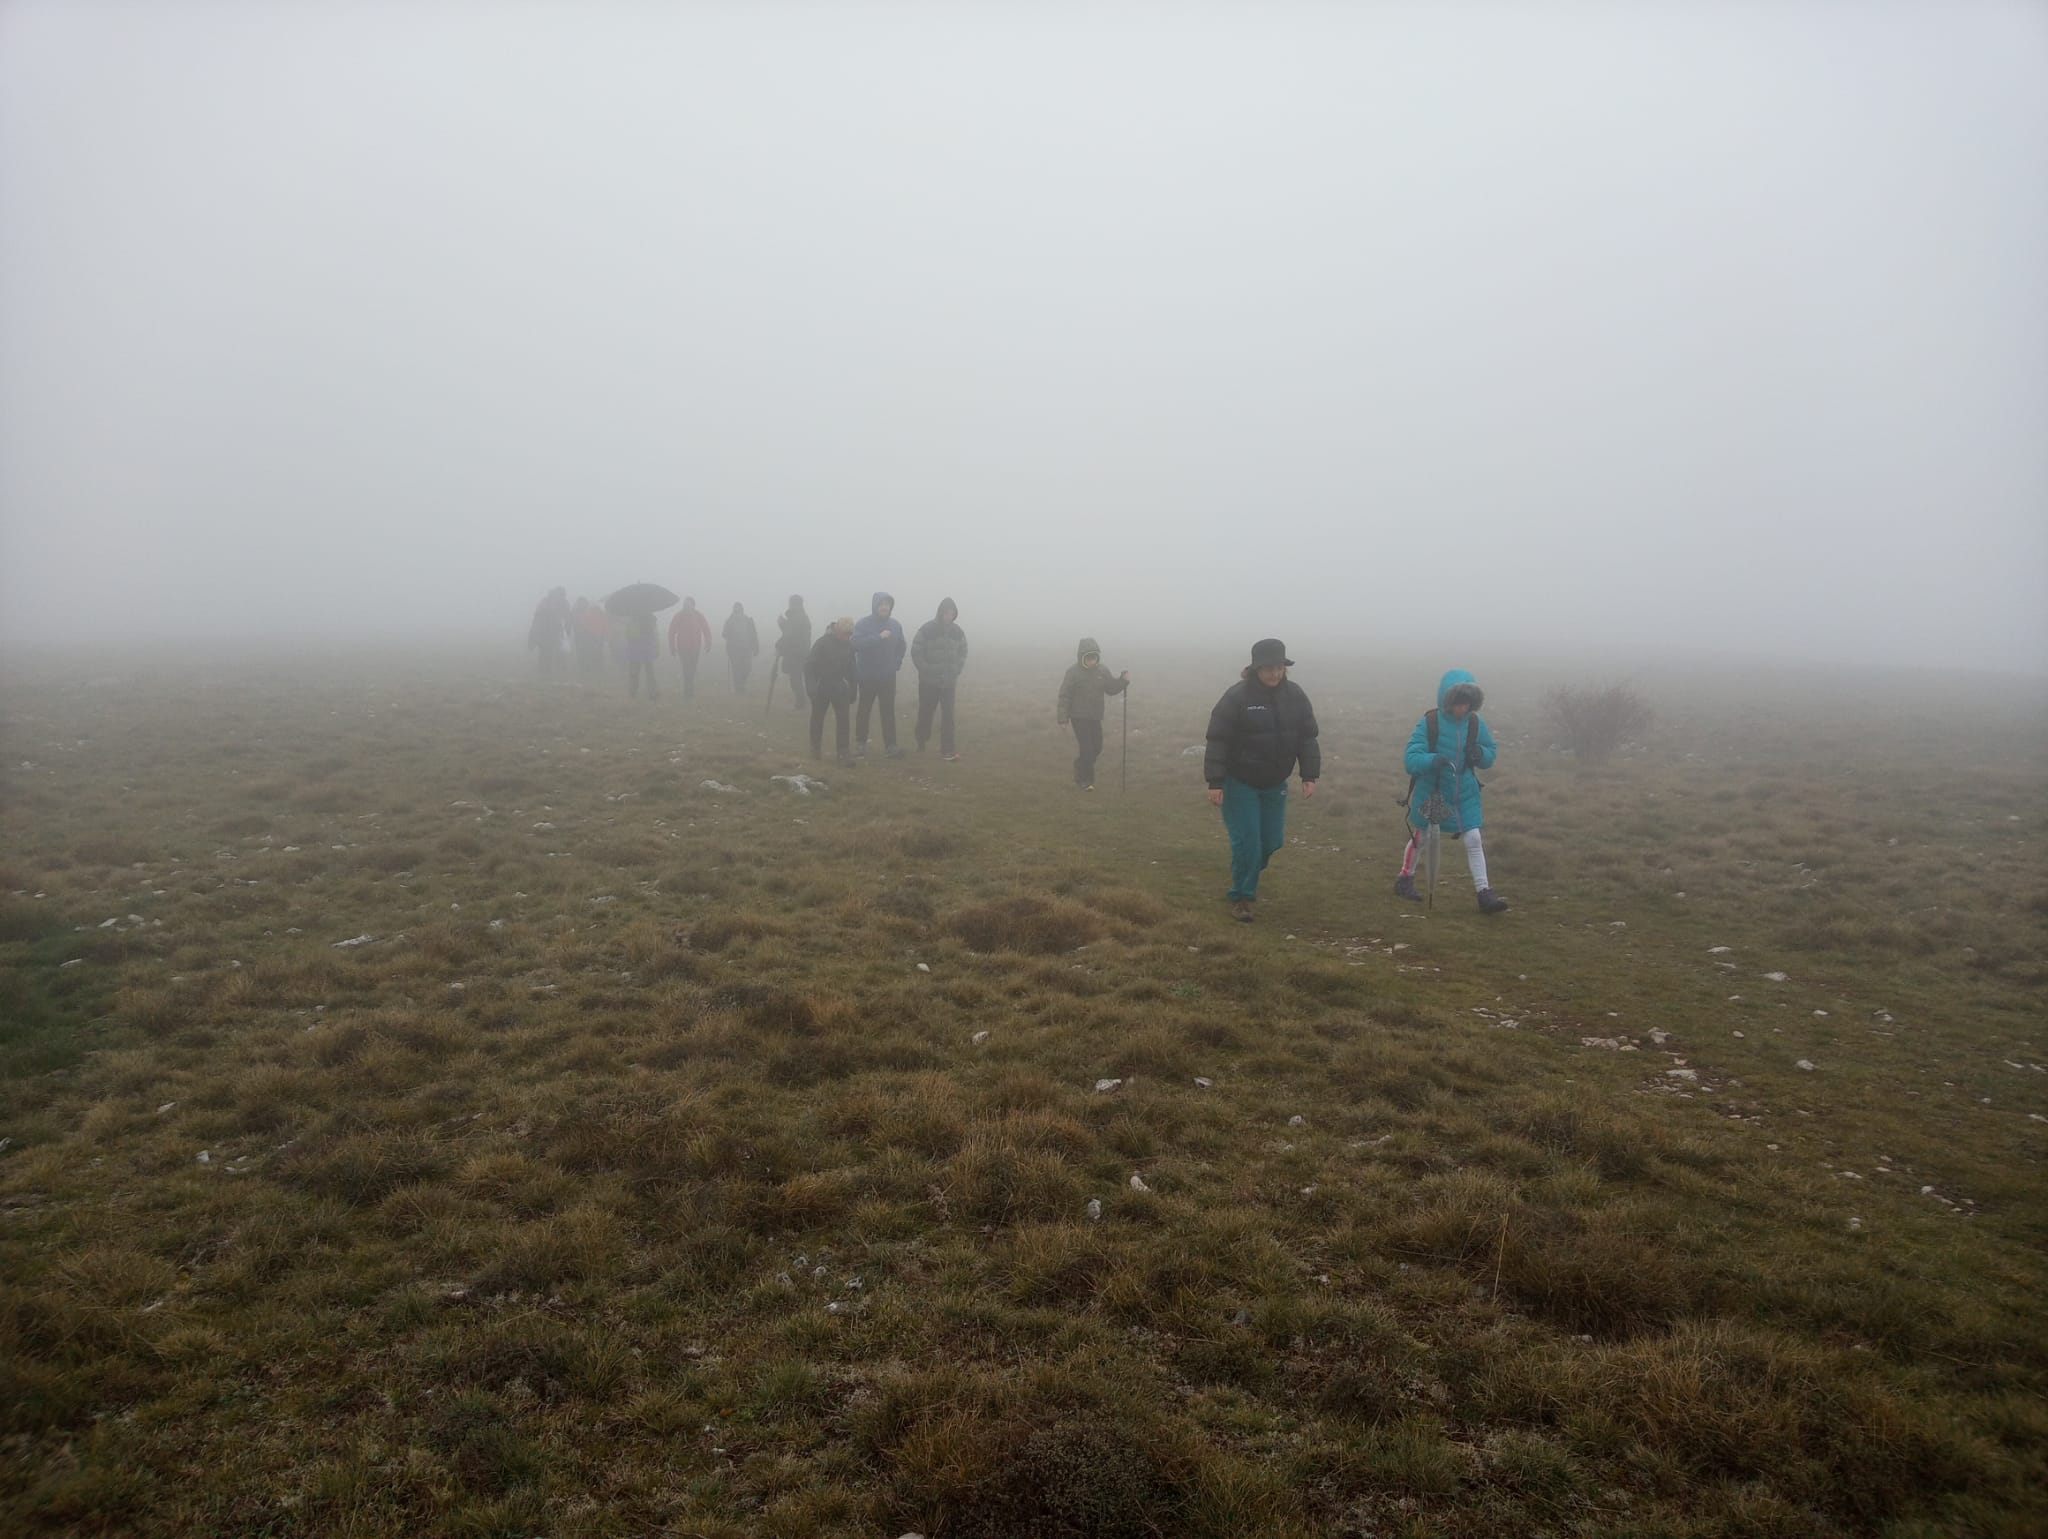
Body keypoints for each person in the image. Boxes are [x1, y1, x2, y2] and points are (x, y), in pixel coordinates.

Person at [1203, 638, 1320, 922]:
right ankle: (1242, 897)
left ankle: (1249, 869)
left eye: (1279, 668)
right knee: (1249, 843)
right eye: (1268, 668)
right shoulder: (1237, 697)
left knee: (1271, 842)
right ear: (1255, 669)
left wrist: (1309, 774)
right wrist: (1215, 782)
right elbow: (1218, 740)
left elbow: (1307, 737)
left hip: (1274, 783)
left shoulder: (1296, 696)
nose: (1274, 674)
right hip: (1239, 782)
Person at [1394, 668, 1507, 913]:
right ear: (1447, 700)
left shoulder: (1476, 723)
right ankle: (1405, 878)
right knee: (1422, 838)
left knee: (1474, 838)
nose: (1462, 709)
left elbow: (1489, 753)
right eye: (1457, 704)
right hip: (1433, 791)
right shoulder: (1430, 722)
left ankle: (1484, 893)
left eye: (1466, 704)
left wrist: (1480, 754)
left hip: (1464, 792)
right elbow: (1410, 759)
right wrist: (1432, 760)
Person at [1055, 638, 1129, 790]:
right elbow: (1065, 696)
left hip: (1095, 716)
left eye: (1094, 657)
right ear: (1081, 656)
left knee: (1097, 747)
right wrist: (1063, 719)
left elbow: (1111, 689)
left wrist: (1123, 681)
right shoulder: (1073, 673)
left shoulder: (1102, 670)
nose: (1092, 661)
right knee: (1087, 748)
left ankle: (1080, 764)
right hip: (1078, 717)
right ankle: (1086, 781)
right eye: (1088, 657)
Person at [910, 597, 968, 758]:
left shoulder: (958, 632)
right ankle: (921, 741)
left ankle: (948, 748)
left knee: (948, 715)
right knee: (926, 712)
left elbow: (963, 650)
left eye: (952, 613)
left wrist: (957, 668)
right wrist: (926, 669)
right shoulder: (927, 629)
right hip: (929, 681)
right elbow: (916, 650)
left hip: (949, 682)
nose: (949, 616)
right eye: (946, 613)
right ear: (940, 612)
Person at [851, 591, 907, 757]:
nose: (884, 607)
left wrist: (896, 663)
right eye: (881, 604)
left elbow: (901, 646)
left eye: (887, 604)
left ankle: (891, 746)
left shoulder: (895, 625)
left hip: (888, 676)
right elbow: (855, 644)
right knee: (864, 709)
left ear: (891, 607)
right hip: (867, 675)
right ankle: (860, 744)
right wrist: (878, 637)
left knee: (888, 710)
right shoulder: (863, 624)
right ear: (875, 606)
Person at [804, 617, 858, 764]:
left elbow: (852, 669)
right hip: (821, 686)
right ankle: (815, 749)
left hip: (839, 686)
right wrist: (811, 687)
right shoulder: (822, 643)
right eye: (844, 633)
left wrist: (853, 689)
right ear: (836, 630)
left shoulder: (849, 645)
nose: (847, 637)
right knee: (817, 718)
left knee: (843, 720)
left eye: (849, 634)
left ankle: (843, 753)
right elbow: (809, 665)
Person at [668, 597, 713, 698]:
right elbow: (671, 632)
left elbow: (706, 629)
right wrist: (672, 647)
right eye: (684, 605)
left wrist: (708, 643)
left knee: (692, 669)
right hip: (683, 648)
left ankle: (689, 690)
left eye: (688, 605)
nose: (686, 607)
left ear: (693, 605)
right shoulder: (679, 616)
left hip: (695, 648)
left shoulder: (698, 615)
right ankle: (688, 692)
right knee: (686, 669)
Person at [775, 596, 812, 710]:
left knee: (795, 679)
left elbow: (790, 634)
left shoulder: (798, 617)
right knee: (796, 678)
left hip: (797, 653)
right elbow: (790, 633)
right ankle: (801, 701)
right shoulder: (800, 617)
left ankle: (801, 703)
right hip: (800, 652)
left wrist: (782, 624)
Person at [528, 587, 570, 677]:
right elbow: (538, 617)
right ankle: (545, 672)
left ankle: (552, 671)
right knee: (546, 651)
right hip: (546, 630)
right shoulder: (547, 602)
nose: (561, 596)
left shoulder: (561, 602)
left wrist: (566, 628)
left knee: (554, 651)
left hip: (554, 630)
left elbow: (567, 616)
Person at [622, 609, 660, 699]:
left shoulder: (632, 620)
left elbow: (627, 635)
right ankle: (652, 692)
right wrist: (656, 648)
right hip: (647, 649)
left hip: (635, 650)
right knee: (650, 672)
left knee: (634, 672)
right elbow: (655, 635)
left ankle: (633, 693)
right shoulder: (651, 619)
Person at [723, 602, 760, 693]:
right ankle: (739, 688)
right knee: (736, 668)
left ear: (742, 610)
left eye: (738, 609)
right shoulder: (729, 621)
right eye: (735, 609)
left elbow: (754, 635)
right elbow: (724, 634)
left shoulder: (748, 620)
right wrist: (728, 626)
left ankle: (741, 683)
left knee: (747, 668)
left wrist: (756, 647)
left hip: (746, 648)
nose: (737, 611)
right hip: (734, 649)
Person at [571, 597, 607, 682]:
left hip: (591, 636)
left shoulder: (589, 613)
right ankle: (589, 669)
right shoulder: (586, 612)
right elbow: (584, 623)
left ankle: (593, 669)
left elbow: (602, 624)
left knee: (592, 653)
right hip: (587, 636)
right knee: (588, 652)